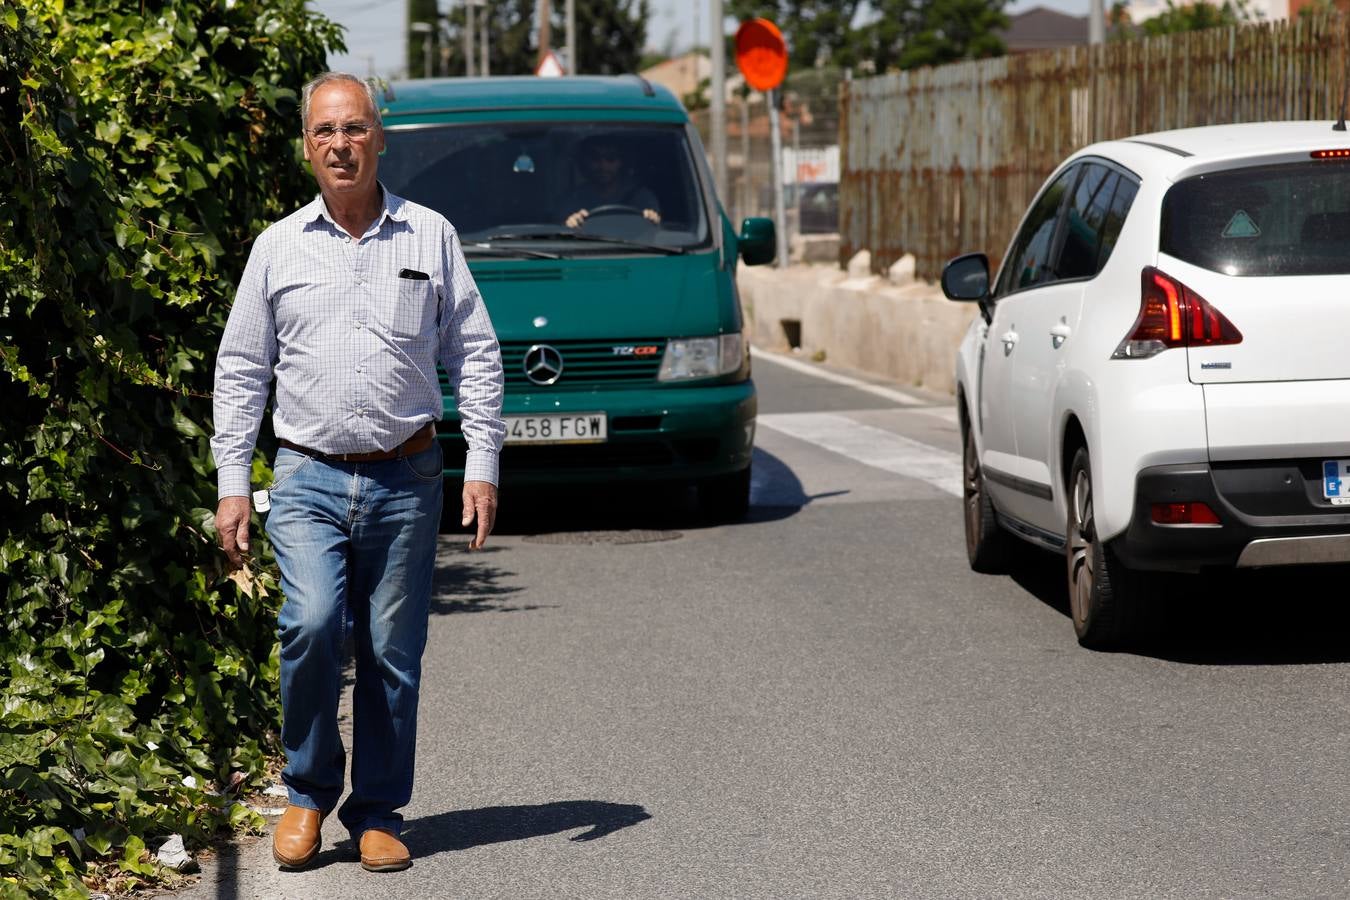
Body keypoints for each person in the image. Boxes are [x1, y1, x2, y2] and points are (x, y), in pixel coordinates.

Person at [210, 72, 505, 874]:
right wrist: (233, 480)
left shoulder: (429, 237)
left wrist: (482, 464)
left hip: (407, 478)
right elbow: (241, 368)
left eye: (355, 128)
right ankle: (307, 793)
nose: (340, 144)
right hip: (305, 476)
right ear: (307, 146)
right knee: (309, 627)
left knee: (389, 651)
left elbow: (474, 353)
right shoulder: (277, 247)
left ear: (380, 136)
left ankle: (376, 810)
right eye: (324, 132)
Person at [560, 134, 662, 229]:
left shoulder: (642, 198)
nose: (603, 166)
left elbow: (654, 238)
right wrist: (569, 225)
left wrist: (652, 221)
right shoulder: (572, 199)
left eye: (611, 158)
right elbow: (558, 237)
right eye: (595, 158)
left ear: (621, 162)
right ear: (584, 162)